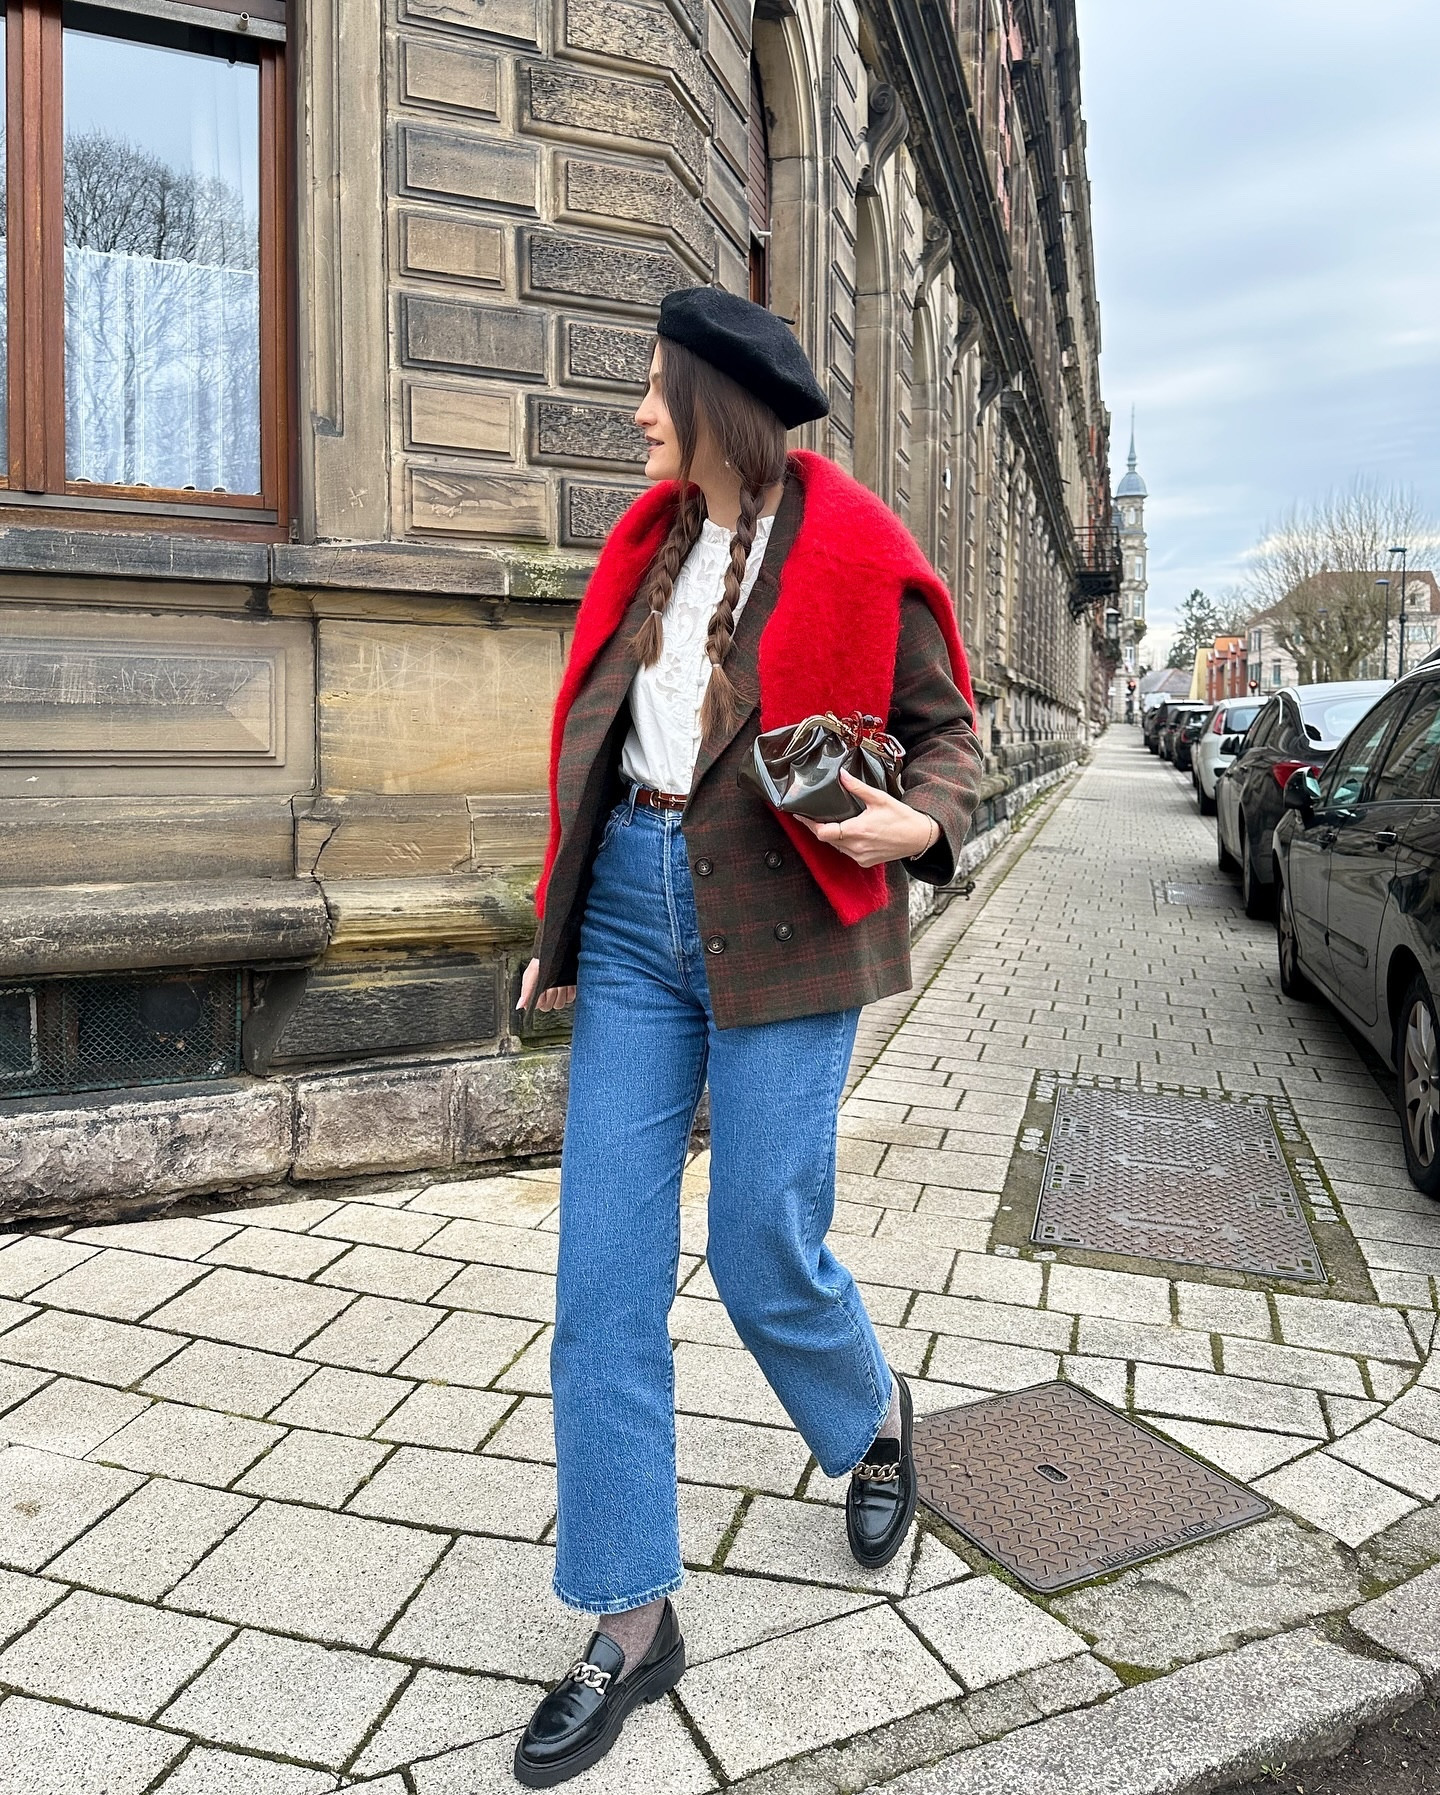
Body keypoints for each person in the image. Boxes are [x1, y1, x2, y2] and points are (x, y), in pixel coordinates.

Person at [512, 286, 984, 1788]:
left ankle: (874, 1420)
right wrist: (558, 930)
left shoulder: (852, 544)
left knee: (763, 1247)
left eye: (656, 390)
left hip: (787, 927)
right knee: (600, 1280)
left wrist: (929, 821)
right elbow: (600, 743)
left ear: (716, 400)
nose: (640, 414)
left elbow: (941, 727)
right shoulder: (645, 549)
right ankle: (631, 1620)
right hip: (641, 930)